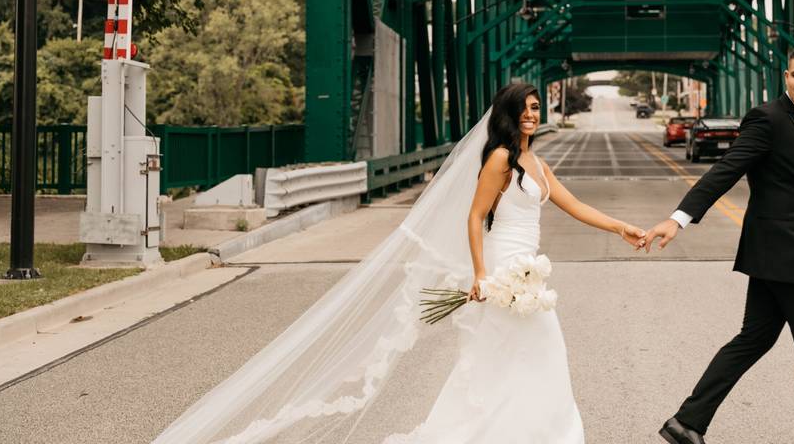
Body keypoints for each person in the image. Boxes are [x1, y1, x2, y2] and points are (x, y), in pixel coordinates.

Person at [151, 82, 642, 444]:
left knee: (523, 356)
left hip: (529, 269)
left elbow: (574, 205)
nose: (533, 115)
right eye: (527, 109)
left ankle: (531, 431)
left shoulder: (537, 163)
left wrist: (621, 227)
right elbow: (474, 218)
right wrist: (479, 273)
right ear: (510, 114)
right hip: (502, 271)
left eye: (537, 109)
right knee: (512, 353)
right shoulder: (500, 160)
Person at [642, 43, 794, 444]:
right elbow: (727, 168)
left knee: (753, 338)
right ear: (786, 76)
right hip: (790, 258)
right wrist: (679, 218)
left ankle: (687, 422)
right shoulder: (768, 119)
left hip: (784, 256)